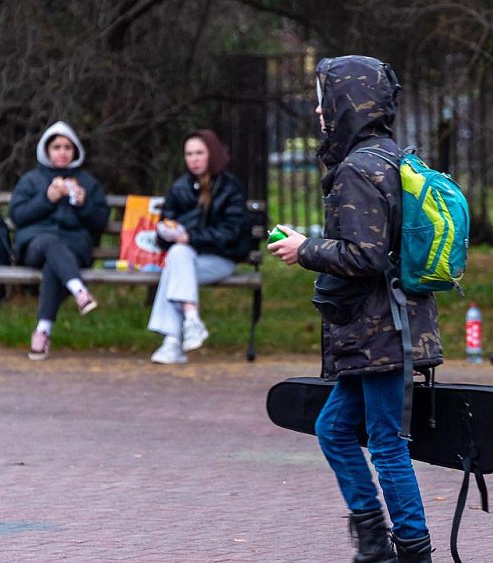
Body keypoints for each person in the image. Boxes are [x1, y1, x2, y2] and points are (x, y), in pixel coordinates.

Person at [269, 55, 440, 563]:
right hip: (383, 329)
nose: (319, 112)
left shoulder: (360, 169)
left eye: (324, 102)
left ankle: (412, 550)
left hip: (382, 330)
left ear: (348, 104)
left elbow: (364, 255)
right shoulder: (392, 157)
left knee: (387, 445)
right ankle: (372, 542)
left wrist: (304, 249)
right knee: (334, 429)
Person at [10, 121, 109, 361]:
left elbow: (100, 222)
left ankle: (42, 332)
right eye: (56, 147)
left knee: (54, 266)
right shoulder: (32, 180)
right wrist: (48, 198)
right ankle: (79, 291)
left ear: (75, 151)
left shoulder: (86, 182)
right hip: (35, 245)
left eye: (67, 147)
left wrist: (82, 203)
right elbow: (18, 216)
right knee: (49, 243)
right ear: (46, 150)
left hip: (73, 248)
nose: (62, 152)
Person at [147, 130, 246, 364]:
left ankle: (172, 341)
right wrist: (167, 233)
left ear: (211, 154)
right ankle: (191, 320)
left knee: (176, 261)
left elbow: (230, 234)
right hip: (184, 259)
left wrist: (189, 237)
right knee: (178, 256)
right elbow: (163, 232)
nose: (194, 159)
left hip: (219, 259)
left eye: (199, 153)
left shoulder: (230, 187)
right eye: (189, 154)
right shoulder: (179, 187)